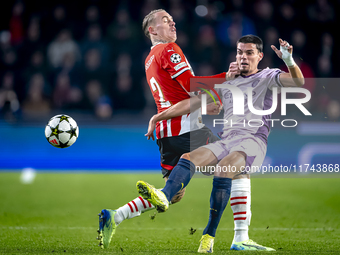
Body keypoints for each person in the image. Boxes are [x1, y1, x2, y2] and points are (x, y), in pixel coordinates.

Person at [137, 34, 305, 253]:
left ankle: (209, 235)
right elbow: (191, 103)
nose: (243, 57)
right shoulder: (227, 82)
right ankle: (165, 196)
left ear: (260, 56)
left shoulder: (268, 75)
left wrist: (289, 60)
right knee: (188, 157)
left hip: (253, 140)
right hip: (228, 139)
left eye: (249, 53)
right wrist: (157, 117)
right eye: (239, 52)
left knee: (225, 169)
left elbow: (298, 82)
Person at [97, 9, 227, 249]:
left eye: (172, 19)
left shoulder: (150, 58)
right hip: (187, 128)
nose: (173, 23)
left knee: (174, 194)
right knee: (231, 167)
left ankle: (114, 216)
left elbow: (177, 95)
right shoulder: (168, 50)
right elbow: (192, 86)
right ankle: (216, 238)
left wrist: (205, 105)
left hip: (168, 134)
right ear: (152, 30)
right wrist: (227, 76)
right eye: (165, 21)